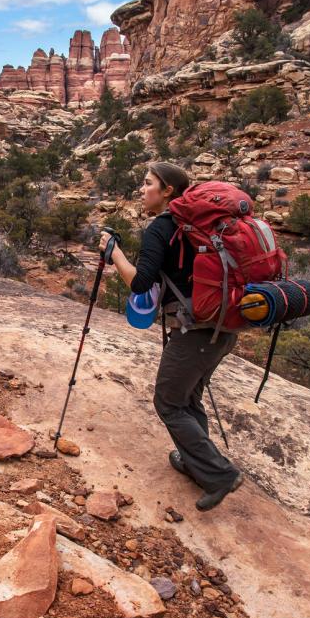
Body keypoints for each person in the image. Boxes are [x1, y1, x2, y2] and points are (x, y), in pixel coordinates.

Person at [99, 161, 244, 511]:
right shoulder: (198, 226)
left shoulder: (162, 228)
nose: (142, 189)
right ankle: (196, 464)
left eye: (148, 183)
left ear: (168, 192)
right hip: (224, 324)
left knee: (168, 401)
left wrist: (113, 251)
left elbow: (140, 283)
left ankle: (220, 474)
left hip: (194, 330)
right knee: (189, 399)